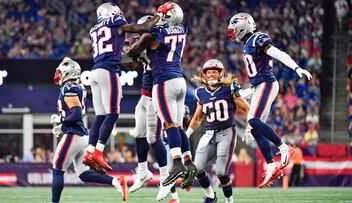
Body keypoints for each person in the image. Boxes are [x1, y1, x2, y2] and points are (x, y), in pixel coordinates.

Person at [227, 12, 312, 188]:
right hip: (259, 86)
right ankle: (272, 165)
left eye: (235, 29)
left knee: (252, 120)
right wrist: (242, 93)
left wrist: (296, 68)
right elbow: (255, 80)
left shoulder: (258, 39)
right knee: (254, 128)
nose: (233, 33)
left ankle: (283, 148)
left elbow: (278, 53)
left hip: (267, 84)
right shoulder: (246, 45)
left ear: (243, 28)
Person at [83, 2, 170, 172]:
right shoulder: (115, 21)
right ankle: (99, 152)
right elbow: (143, 27)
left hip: (94, 71)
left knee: (100, 115)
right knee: (113, 113)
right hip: (109, 70)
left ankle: (90, 151)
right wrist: (160, 16)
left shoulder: (94, 29)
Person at [126, 1, 197, 189]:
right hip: (180, 79)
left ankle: (176, 163)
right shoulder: (181, 29)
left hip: (164, 82)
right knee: (178, 125)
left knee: (169, 125)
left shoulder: (156, 34)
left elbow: (134, 50)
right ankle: (188, 161)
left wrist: (128, 42)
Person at [50, 58, 128, 203]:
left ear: (68, 72)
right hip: (81, 135)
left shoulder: (69, 87)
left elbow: (76, 114)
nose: (58, 75)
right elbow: (76, 115)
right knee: (84, 174)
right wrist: (62, 125)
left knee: (57, 168)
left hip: (73, 135)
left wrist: (61, 120)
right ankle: (116, 181)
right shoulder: (76, 87)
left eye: (60, 72)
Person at [123, 15, 173, 201]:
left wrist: (128, 49)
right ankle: (143, 171)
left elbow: (130, 56)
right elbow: (131, 62)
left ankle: (166, 177)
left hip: (156, 95)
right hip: (145, 95)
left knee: (154, 138)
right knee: (138, 133)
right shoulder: (148, 42)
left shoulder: (157, 41)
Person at [185, 59, 250, 203]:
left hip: (226, 132)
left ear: (221, 74)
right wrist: (187, 134)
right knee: (198, 168)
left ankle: (229, 201)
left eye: (215, 71)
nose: (211, 74)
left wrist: (249, 127)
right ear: (204, 74)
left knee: (221, 171)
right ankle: (210, 196)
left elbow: (246, 108)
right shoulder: (200, 92)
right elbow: (197, 118)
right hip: (209, 134)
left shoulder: (229, 89)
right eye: (209, 72)